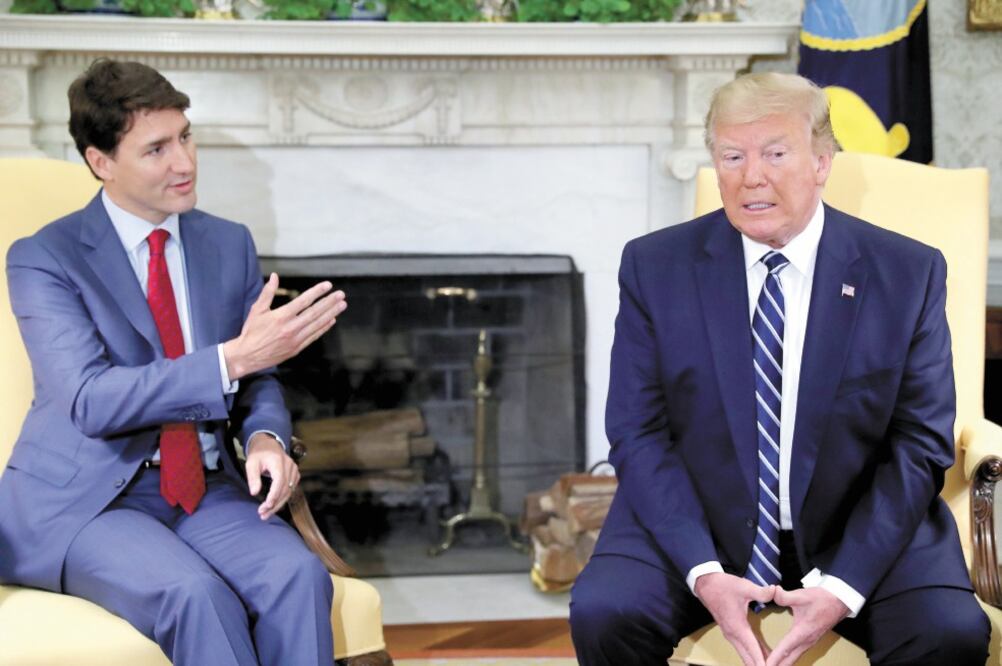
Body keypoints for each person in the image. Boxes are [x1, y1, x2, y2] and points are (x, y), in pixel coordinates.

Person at [569, 72, 991, 666]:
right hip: (699, 519)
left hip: (857, 522)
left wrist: (843, 587)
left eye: (775, 153)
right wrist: (704, 572)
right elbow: (638, 431)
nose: (752, 176)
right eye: (733, 156)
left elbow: (918, 442)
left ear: (822, 161)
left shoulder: (906, 273)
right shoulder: (654, 267)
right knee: (605, 614)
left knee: (948, 632)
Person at [0, 58, 347, 666]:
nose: (184, 163)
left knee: (298, 576)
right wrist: (230, 359)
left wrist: (266, 439)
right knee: (196, 597)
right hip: (90, 501)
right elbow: (90, 399)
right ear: (100, 162)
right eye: (156, 148)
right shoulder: (44, 258)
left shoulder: (227, 242)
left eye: (185, 136)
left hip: (205, 489)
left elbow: (255, 373)